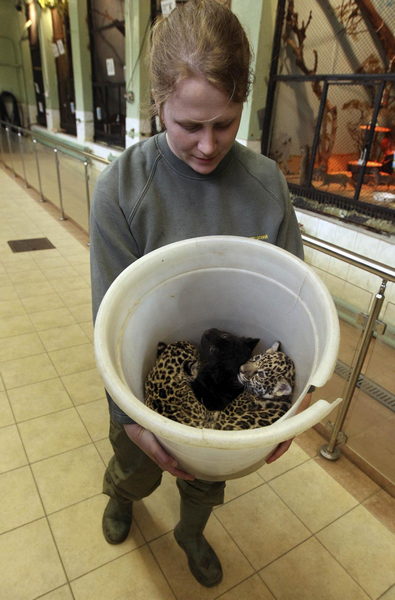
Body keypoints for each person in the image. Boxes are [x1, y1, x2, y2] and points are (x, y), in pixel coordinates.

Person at [90, 0, 311, 588]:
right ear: (157, 102)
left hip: (227, 383)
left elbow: (297, 305)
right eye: (188, 125)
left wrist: (286, 416)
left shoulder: (265, 187)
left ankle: (191, 531)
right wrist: (130, 421)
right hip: (143, 386)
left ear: (243, 104)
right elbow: (108, 325)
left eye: (225, 122)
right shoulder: (123, 190)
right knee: (139, 468)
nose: (209, 145)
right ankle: (123, 495)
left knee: (205, 480)